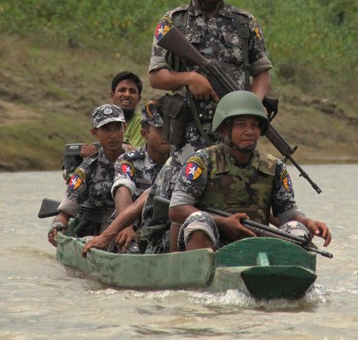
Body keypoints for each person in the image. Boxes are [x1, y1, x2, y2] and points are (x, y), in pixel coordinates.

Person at [148, 0, 273, 169]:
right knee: (178, 196)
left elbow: (262, 74)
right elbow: (156, 77)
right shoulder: (174, 22)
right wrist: (189, 79)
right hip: (188, 132)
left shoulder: (245, 23)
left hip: (233, 131)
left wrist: (252, 104)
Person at [167, 91, 331, 252]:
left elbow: (287, 214)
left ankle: (286, 276)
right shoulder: (203, 161)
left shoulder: (275, 167)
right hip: (214, 241)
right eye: (241, 124)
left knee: (298, 229)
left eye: (255, 125)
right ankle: (200, 277)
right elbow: (177, 208)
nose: (250, 131)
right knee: (198, 221)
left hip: (258, 243)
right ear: (224, 130)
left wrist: (308, 222)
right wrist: (223, 222)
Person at [48, 104, 126, 247]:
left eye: (117, 128)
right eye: (106, 129)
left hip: (131, 230)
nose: (113, 135)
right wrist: (57, 227)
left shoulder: (139, 161)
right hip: (96, 235)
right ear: (94, 132)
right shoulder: (86, 169)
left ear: (124, 128)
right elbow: (65, 213)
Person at [108, 100, 172, 251]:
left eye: (170, 129)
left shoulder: (181, 161)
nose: (166, 135)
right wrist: (126, 225)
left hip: (168, 229)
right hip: (135, 229)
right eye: (160, 129)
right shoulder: (130, 160)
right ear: (144, 134)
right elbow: (122, 188)